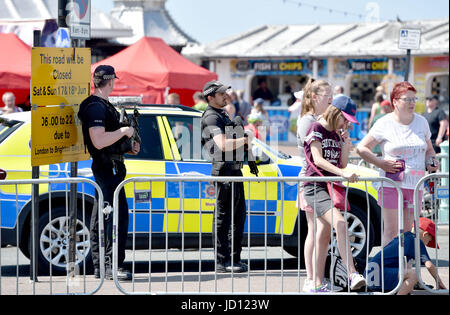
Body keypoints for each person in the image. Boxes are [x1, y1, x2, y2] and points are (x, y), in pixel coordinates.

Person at [356, 82, 439, 247]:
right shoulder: (384, 123)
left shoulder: (421, 122)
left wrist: (431, 161)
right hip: (391, 184)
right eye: (407, 99)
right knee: (392, 232)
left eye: (414, 99)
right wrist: (381, 163)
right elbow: (361, 148)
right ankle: (389, 270)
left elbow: (429, 150)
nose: (412, 103)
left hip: (414, 185)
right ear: (394, 101)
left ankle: (406, 269)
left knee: (408, 233)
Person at [78, 65, 140, 281]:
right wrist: (124, 131)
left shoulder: (101, 105)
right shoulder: (95, 106)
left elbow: (108, 143)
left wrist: (126, 146)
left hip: (111, 166)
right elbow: (99, 140)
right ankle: (109, 265)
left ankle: (104, 266)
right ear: (111, 81)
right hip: (106, 168)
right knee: (113, 217)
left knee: (107, 215)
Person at [303, 95, 366, 292]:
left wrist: (345, 144)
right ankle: (352, 272)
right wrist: (343, 174)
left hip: (329, 185)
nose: (346, 123)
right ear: (335, 112)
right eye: (345, 118)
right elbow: (318, 160)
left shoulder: (336, 133)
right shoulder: (316, 128)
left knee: (323, 236)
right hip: (315, 185)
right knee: (339, 223)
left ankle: (316, 283)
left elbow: (343, 163)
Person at [200, 80, 251, 273]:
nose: (225, 95)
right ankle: (222, 262)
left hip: (234, 170)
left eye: (225, 92)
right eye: (221, 93)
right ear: (211, 97)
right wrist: (244, 140)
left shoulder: (222, 114)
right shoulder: (211, 117)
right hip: (224, 172)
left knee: (238, 217)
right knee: (223, 218)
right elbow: (222, 144)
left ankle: (234, 259)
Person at [295, 78, 335, 292]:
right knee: (314, 229)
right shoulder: (308, 121)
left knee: (322, 230)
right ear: (313, 97)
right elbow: (314, 155)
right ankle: (311, 279)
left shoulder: (317, 119)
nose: (331, 100)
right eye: (327, 96)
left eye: (332, 96)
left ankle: (317, 278)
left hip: (320, 179)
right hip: (311, 179)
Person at [365, 217, 446, 294]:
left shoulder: (404, 237)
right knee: (414, 274)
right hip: (377, 274)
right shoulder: (416, 241)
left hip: (370, 274)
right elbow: (429, 265)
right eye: (429, 240)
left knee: (408, 275)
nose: (427, 243)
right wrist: (439, 282)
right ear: (425, 234)